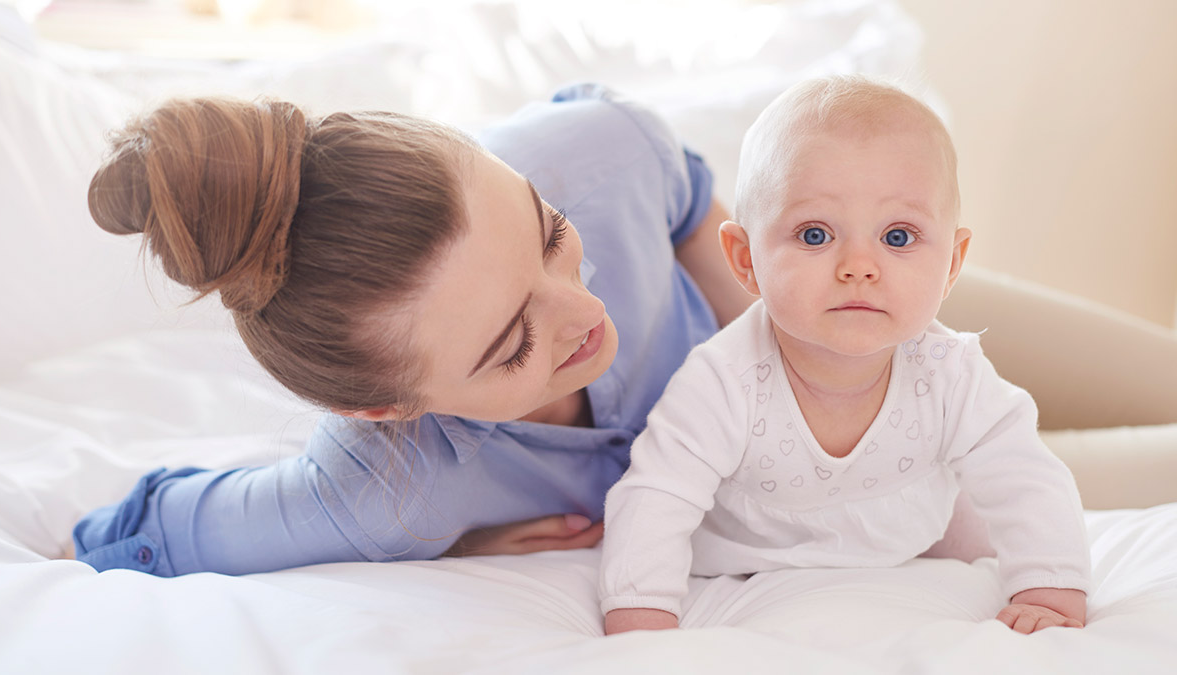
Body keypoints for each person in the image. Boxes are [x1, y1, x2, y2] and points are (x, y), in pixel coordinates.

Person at [72, 83, 757, 575]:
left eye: (550, 234)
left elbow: (687, 194)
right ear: (382, 410)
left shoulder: (597, 153)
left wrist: (766, 342)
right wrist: (450, 544)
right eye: (512, 344)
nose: (587, 314)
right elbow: (138, 534)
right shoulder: (382, 496)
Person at [598, 76, 1091, 637]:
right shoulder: (723, 382)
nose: (859, 265)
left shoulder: (950, 373)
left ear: (952, 264)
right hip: (750, 564)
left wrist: (1049, 589)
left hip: (914, 536)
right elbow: (657, 494)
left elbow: (1024, 475)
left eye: (898, 237)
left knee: (983, 517)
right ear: (746, 260)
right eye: (814, 235)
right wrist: (640, 618)